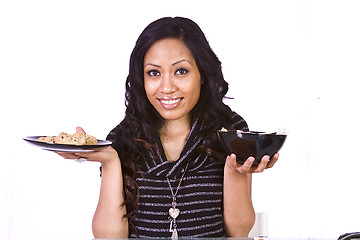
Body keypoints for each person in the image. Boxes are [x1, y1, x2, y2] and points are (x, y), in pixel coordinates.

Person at [57, 16, 279, 239]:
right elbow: (108, 237)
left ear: (202, 74)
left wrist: (234, 170)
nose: (167, 87)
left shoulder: (229, 131)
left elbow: (239, 231)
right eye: (154, 73)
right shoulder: (122, 138)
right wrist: (109, 161)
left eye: (180, 71)